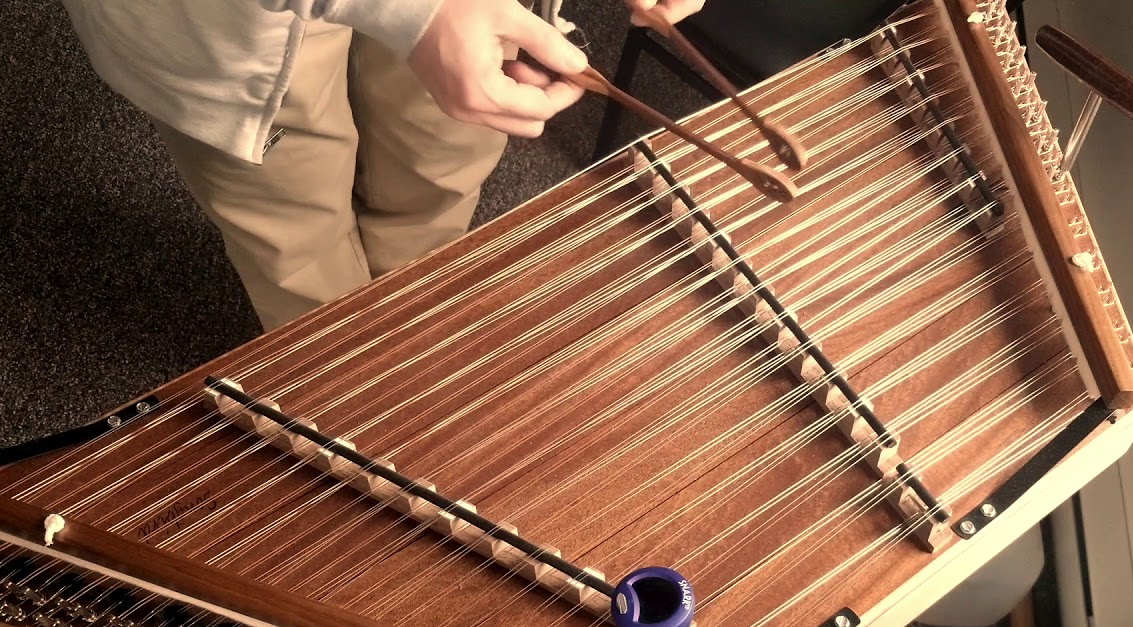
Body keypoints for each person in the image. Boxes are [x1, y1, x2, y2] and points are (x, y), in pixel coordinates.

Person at [60, 0, 705, 330]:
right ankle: (339, 399)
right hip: (225, 19)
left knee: (439, 175)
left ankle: (403, 348)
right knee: (298, 239)